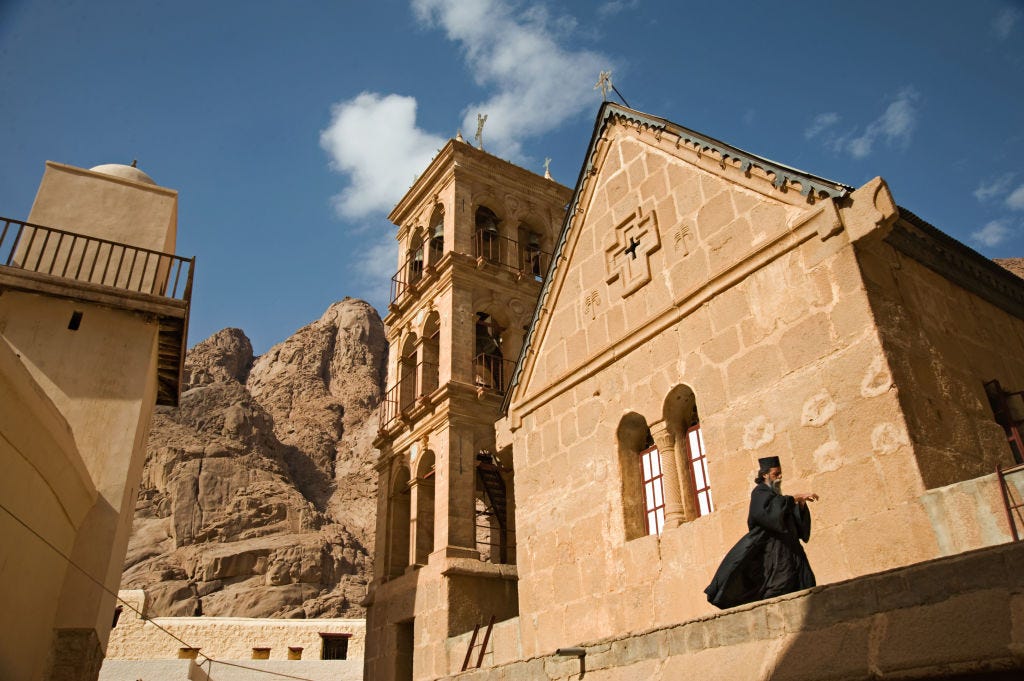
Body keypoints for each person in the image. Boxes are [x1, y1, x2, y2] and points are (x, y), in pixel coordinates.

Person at [704, 456, 819, 609]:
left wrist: (801, 506)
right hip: (776, 554)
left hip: (792, 550)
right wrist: (793, 499)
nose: (780, 477)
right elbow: (766, 514)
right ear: (765, 475)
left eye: (780, 473)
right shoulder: (759, 493)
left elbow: (788, 520)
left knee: (805, 582)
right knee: (780, 587)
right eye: (776, 474)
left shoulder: (776, 496)